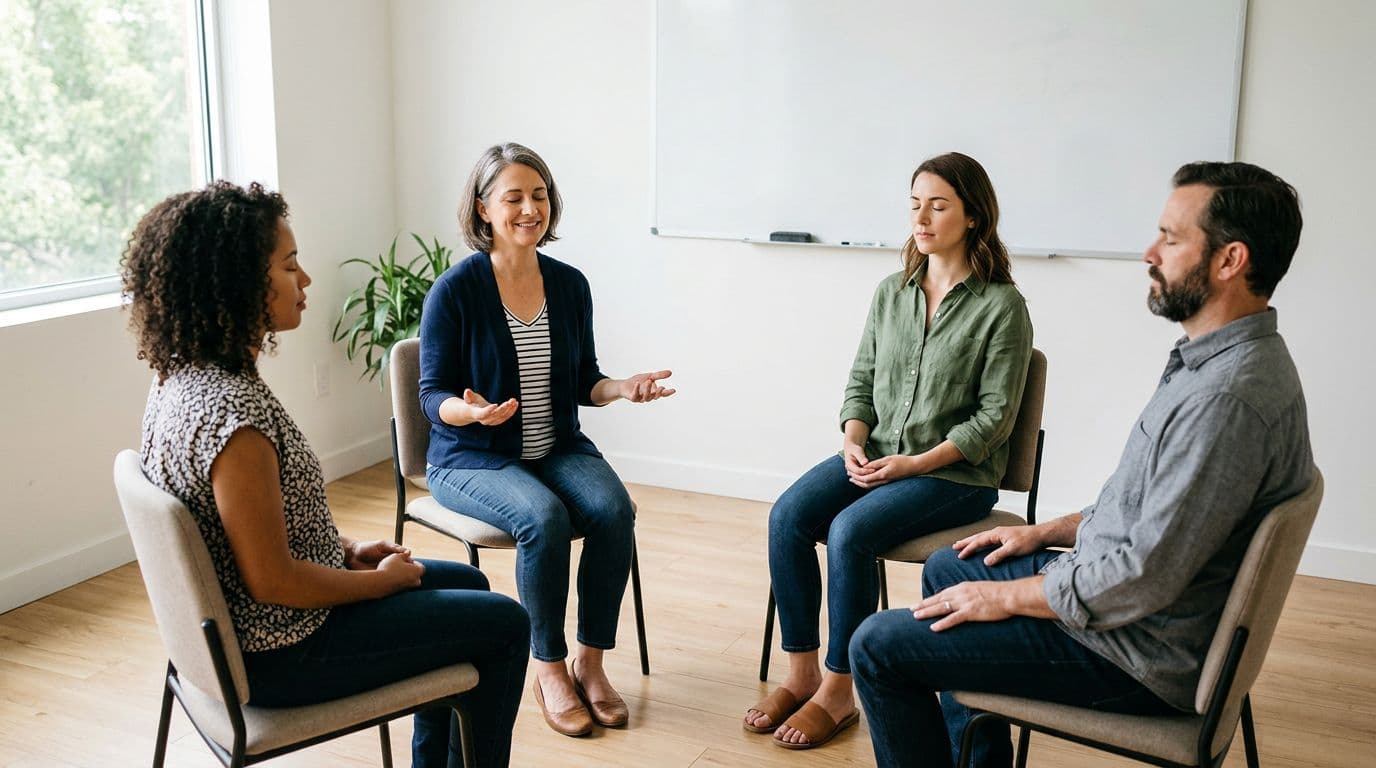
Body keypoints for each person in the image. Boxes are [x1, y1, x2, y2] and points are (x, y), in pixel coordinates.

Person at [849, 160, 1313, 768]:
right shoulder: (1212, 364)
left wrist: (1011, 598)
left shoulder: (1226, 401)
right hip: (1126, 615)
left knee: (878, 645)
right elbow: (1147, 508)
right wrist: (1043, 533)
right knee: (950, 566)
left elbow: (1143, 576)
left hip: (1133, 652)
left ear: (1230, 261)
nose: (1149, 252)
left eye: (1171, 238)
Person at [125, 181, 531, 768]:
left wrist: (347, 549)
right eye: (289, 265)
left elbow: (252, 529)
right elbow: (273, 581)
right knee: (506, 624)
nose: (306, 280)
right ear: (237, 280)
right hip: (287, 652)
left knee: (470, 588)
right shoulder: (234, 419)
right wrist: (379, 583)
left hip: (260, 630)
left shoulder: (180, 381)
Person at [744, 152, 1033, 750]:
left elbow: (993, 422)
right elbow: (861, 381)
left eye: (938, 204)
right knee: (788, 517)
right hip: (877, 456)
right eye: (914, 204)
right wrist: (852, 439)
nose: (921, 218)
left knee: (850, 532)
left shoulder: (1002, 307)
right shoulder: (891, 292)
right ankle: (800, 675)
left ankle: (838, 689)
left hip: (955, 475)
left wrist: (914, 464)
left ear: (973, 216)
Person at [421, 142, 675, 738]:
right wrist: (468, 412)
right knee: (544, 519)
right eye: (514, 198)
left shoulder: (568, 285)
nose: (530, 209)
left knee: (614, 510)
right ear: (484, 209)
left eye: (539, 196)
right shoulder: (454, 292)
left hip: (555, 445)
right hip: (471, 458)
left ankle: (590, 663)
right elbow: (430, 395)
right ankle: (549, 666)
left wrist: (623, 389)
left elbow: (585, 380)